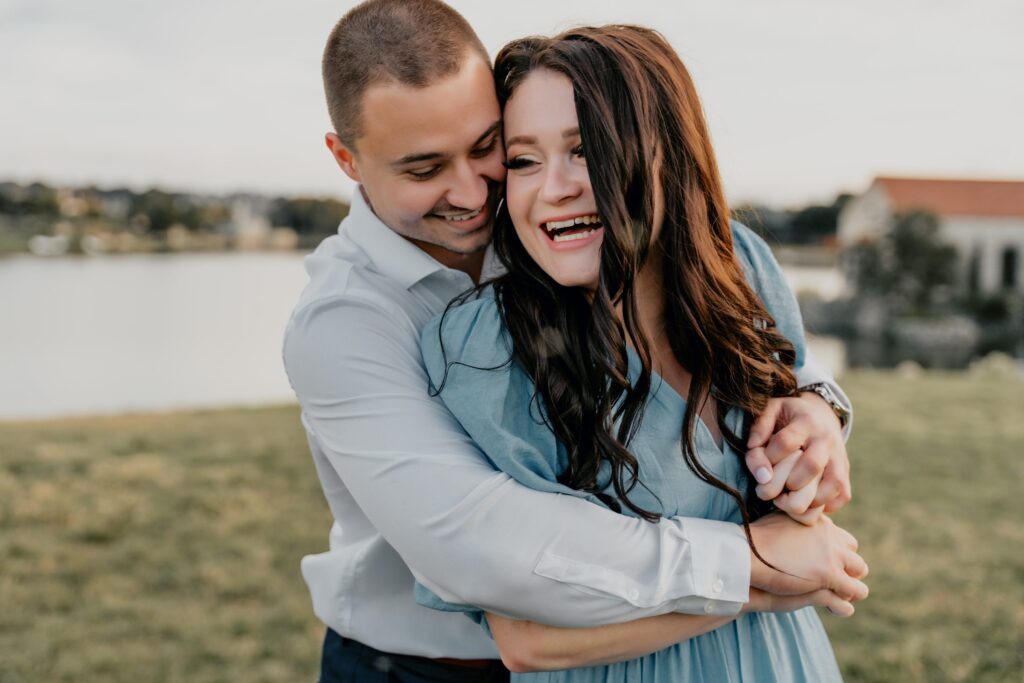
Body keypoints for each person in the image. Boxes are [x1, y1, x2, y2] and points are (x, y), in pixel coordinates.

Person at [283, 1, 862, 681]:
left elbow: (756, 344)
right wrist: (752, 562)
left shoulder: (552, 229)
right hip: (420, 663)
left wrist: (819, 407)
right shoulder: (343, 325)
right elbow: (482, 545)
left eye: (488, 148)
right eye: (423, 169)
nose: (473, 193)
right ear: (345, 159)